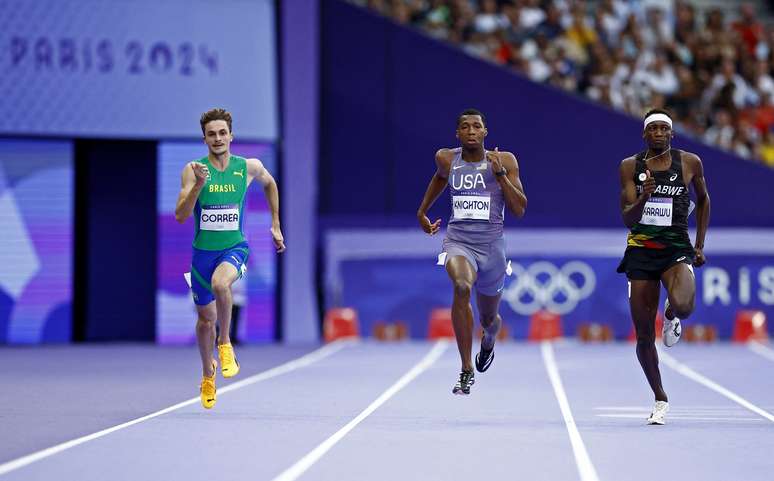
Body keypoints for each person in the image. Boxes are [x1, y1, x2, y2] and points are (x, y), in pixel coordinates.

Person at [175, 108, 286, 409]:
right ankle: (207, 373)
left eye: (222, 133)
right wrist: (198, 185)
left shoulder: (247, 167)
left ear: (231, 136)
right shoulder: (192, 169)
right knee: (204, 321)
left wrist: (275, 224)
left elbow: (270, 184)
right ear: (205, 139)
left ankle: (225, 343)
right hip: (202, 254)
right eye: (212, 134)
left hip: (234, 247)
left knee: (222, 285)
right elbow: (181, 216)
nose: (218, 138)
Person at [417, 108, 527, 395]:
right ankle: (466, 369)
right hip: (459, 242)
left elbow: (519, 209)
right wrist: (422, 210)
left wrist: (500, 175)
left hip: (492, 248)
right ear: (457, 133)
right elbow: (440, 177)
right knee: (462, 286)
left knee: (489, 318)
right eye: (464, 127)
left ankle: (489, 338)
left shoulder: (504, 160)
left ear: (485, 132)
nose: (470, 131)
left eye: (476, 126)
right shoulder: (446, 158)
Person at [617, 108, 710, 424]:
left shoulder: (690, 162)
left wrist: (698, 245)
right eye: (652, 129)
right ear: (644, 135)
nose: (657, 133)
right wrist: (644, 197)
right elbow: (628, 217)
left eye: (663, 129)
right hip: (642, 252)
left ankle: (671, 315)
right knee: (644, 335)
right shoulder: (631, 166)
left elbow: (705, 200)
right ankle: (660, 397)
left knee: (684, 305)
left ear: (671, 134)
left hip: (675, 251)